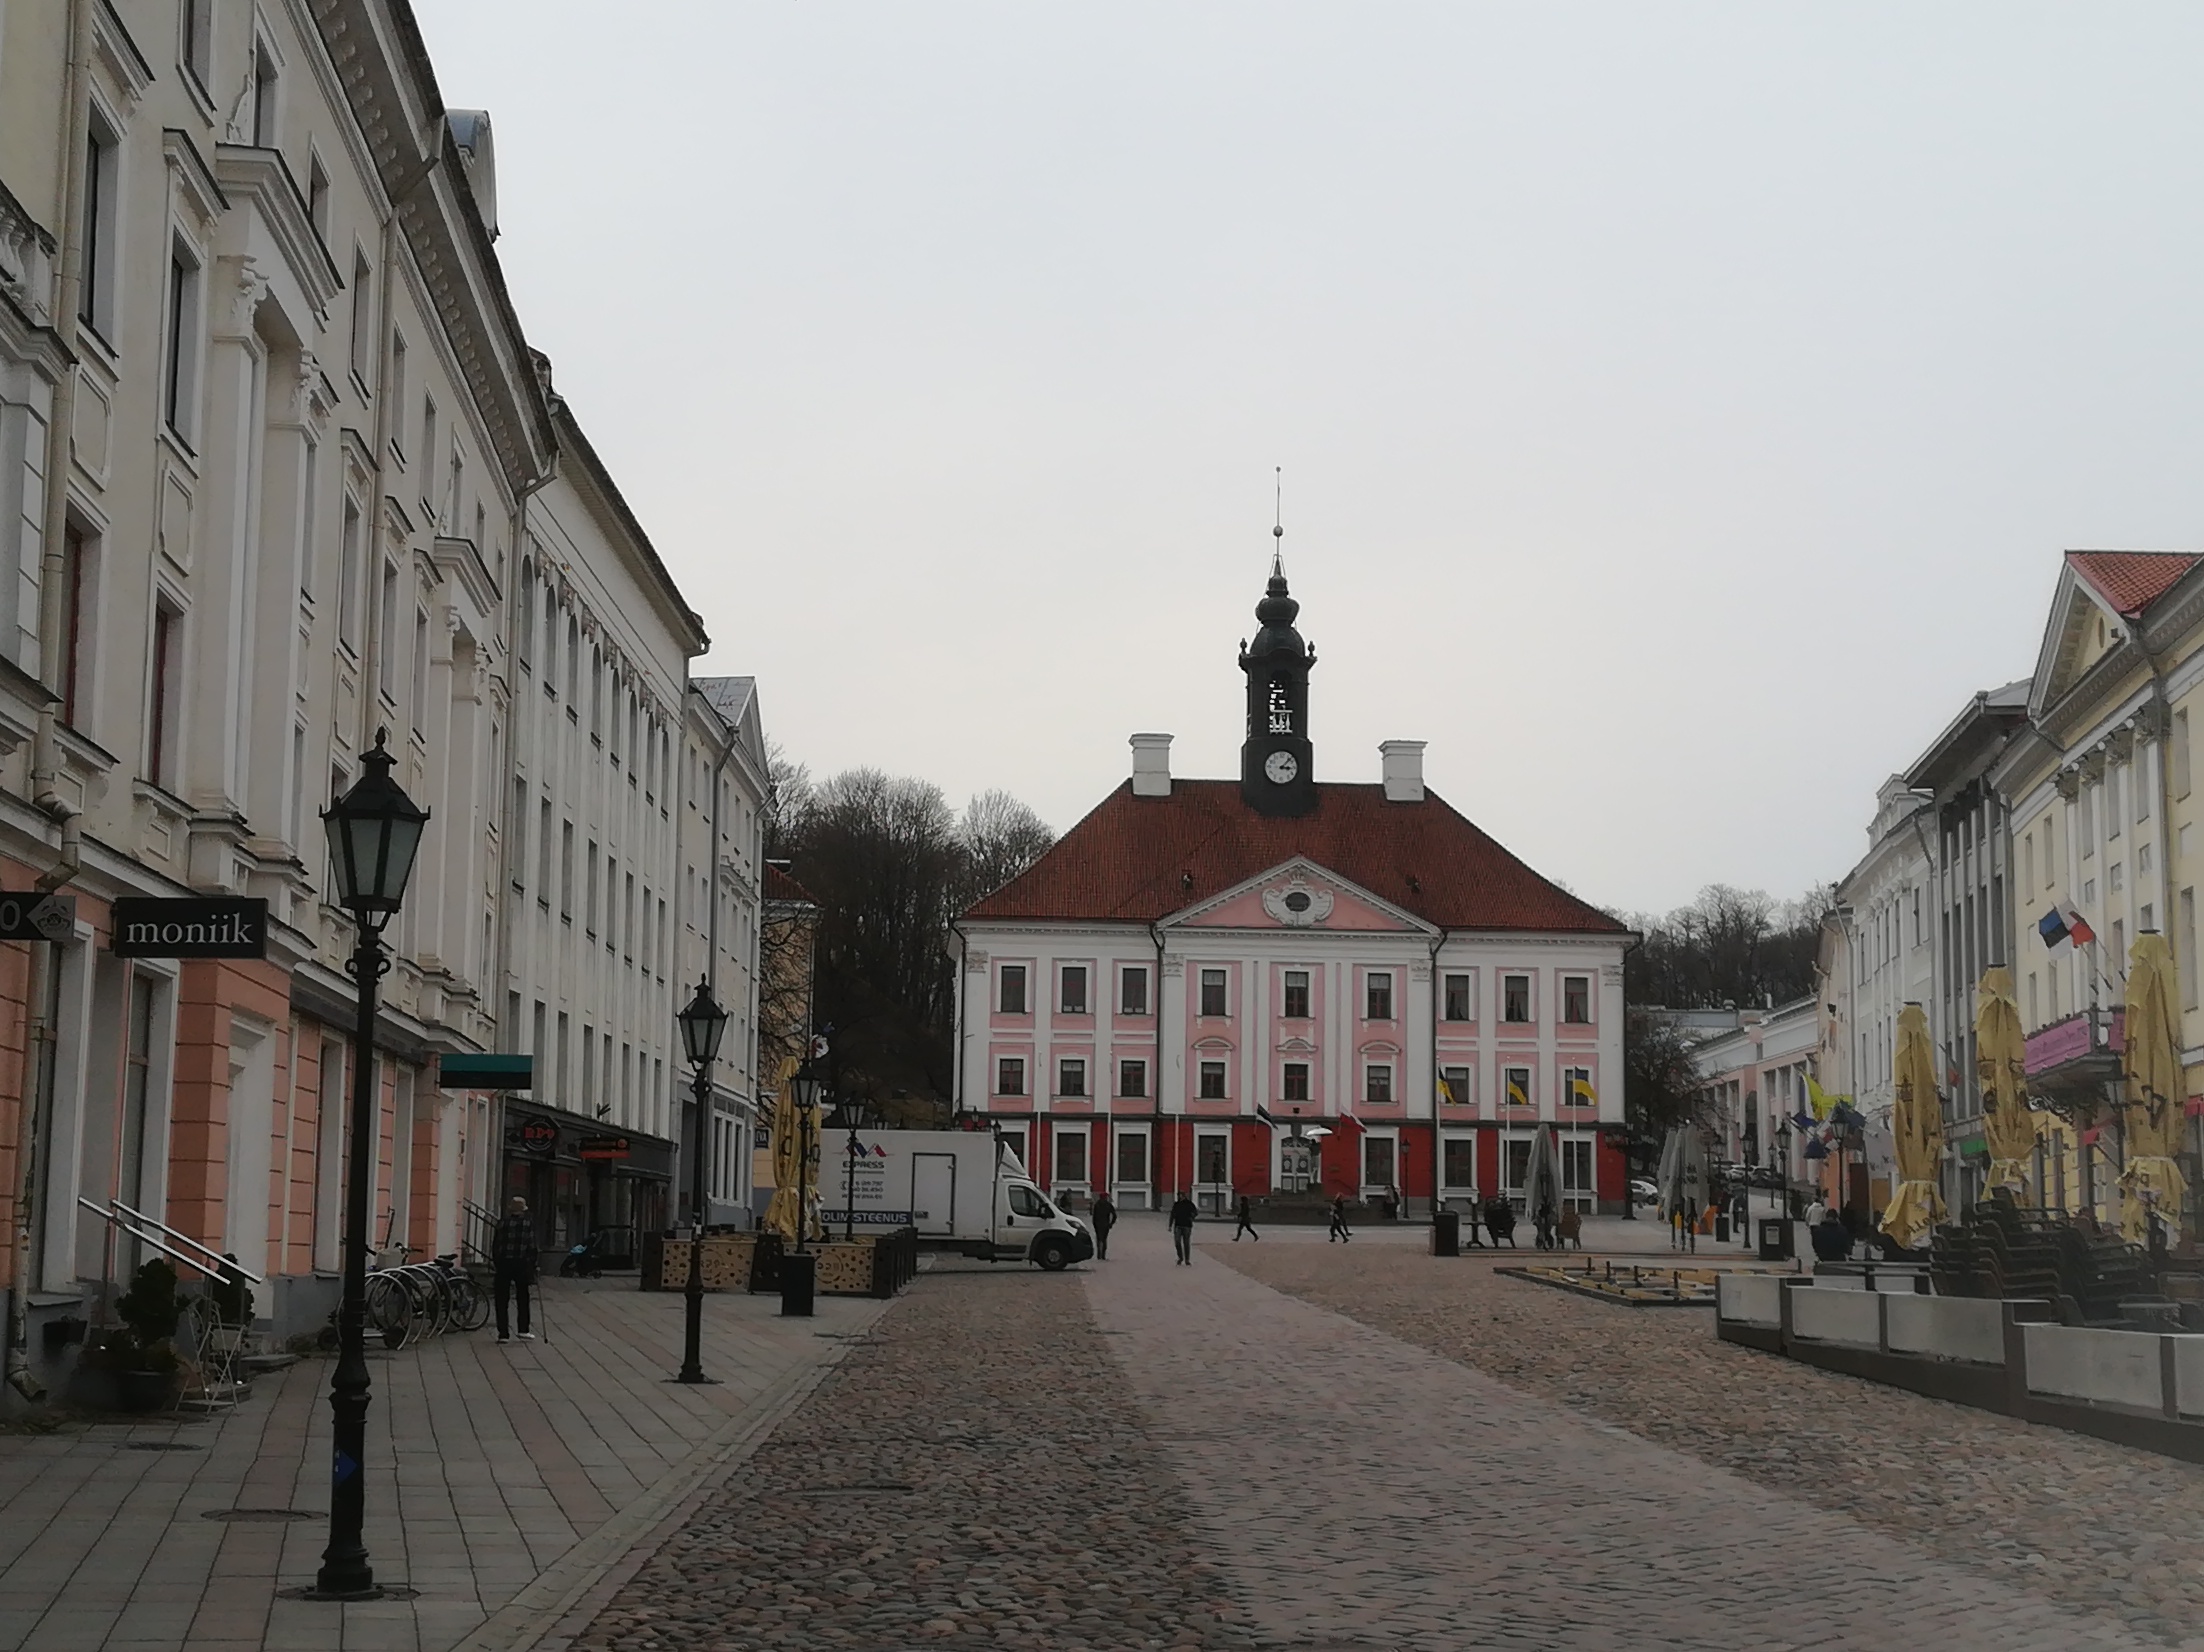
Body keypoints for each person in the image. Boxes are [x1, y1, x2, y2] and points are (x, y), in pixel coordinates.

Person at [492, 1195, 538, 1344]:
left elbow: (496, 1244)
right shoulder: (527, 1223)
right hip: (522, 1263)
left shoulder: (503, 1222)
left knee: (501, 1299)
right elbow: (531, 1245)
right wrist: (533, 1263)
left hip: (505, 1263)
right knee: (523, 1297)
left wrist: (497, 1262)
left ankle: (503, 1334)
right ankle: (523, 1329)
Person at [1167, 1190, 1198, 1265]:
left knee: (1186, 1243)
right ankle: (1180, 1257)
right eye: (1179, 1195)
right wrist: (1170, 1225)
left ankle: (1187, 1259)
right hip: (1178, 1225)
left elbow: (1195, 1212)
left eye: (1181, 1195)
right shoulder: (1176, 1204)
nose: (1180, 1197)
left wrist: (1191, 1217)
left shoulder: (1189, 1204)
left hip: (1187, 1225)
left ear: (1184, 1196)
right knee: (1177, 1242)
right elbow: (1172, 1215)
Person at [1090, 1187, 1117, 1261]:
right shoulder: (1108, 1205)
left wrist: (1094, 1224)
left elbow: (1094, 1216)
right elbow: (1114, 1215)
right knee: (1104, 1239)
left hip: (1098, 1224)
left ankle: (1099, 1255)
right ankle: (1103, 1255)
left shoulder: (1097, 1205)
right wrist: (1111, 1223)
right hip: (1106, 1225)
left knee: (1099, 1239)